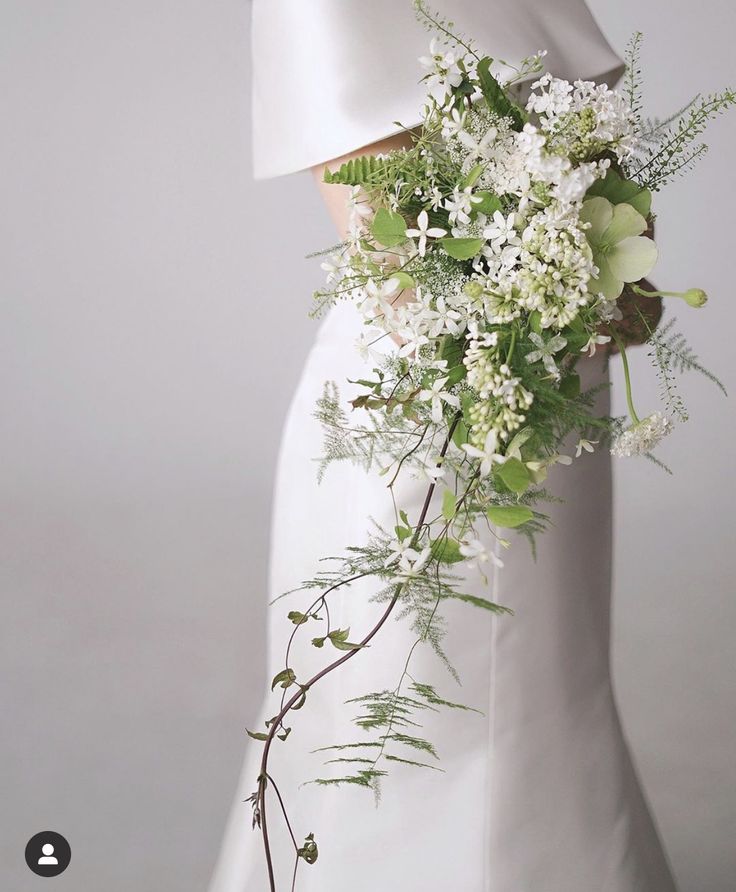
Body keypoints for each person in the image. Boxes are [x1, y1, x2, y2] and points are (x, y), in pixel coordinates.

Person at [208, 2, 677, 889]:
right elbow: (379, 214)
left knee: (548, 679)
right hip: (443, 388)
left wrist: (606, 270)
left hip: (547, 361)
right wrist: (547, 306)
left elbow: (589, 151)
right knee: (415, 697)